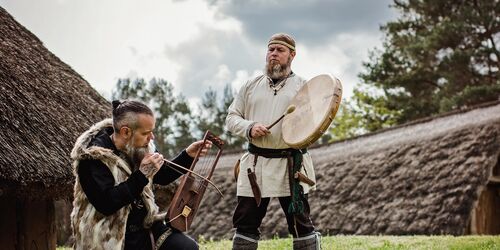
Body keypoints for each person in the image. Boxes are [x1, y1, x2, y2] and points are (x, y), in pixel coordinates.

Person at [226, 33, 321, 250]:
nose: (274, 55)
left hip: (291, 165)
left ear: (292, 55)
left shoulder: (302, 87)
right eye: (271, 50)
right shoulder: (250, 85)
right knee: (246, 224)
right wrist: (249, 127)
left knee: (301, 224)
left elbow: (313, 123)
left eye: (280, 50)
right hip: (255, 165)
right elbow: (231, 118)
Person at [71, 100, 207, 250]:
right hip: (109, 236)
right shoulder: (92, 158)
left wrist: (188, 155)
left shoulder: (141, 146)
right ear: (126, 132)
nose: (152, 137)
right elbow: (107, 203)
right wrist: (142, 175)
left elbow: (162, 175)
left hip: (145, 227)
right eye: (146, 133)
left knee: (187, 248)